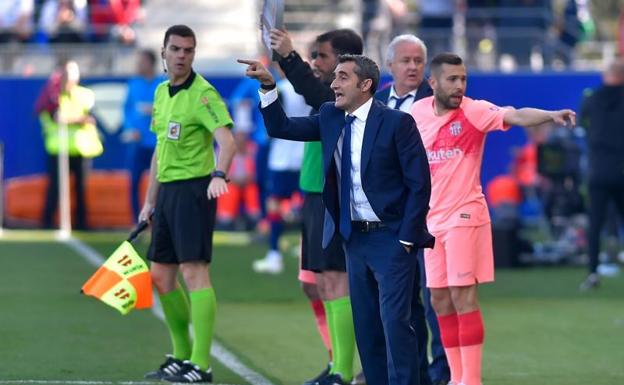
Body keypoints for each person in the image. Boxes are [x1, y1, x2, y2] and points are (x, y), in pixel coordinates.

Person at [239, 53, 434, 385]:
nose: (333, 84)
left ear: (365, 84)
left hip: (392, 240)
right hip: (354, 241)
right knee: (367, 326)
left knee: (395, 323)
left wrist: (406, 237)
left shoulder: (397, 123)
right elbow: (281, 126)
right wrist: (268, 87)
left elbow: (420, 184)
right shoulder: (330, 115)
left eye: (342, 77)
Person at [410, 53, 575, 385]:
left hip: (465, 215)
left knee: (461, 294)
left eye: (463, 79)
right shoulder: (415, 114)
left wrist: (550, 116)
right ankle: (456, 378)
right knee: (439, 299)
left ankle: (471, 380)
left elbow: (514, 115)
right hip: (432, 220)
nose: (459, 86)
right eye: (452, 79)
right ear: (433, 83)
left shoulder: (473, 111)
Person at [139, 25, 236, 384]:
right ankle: (180, 355)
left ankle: (201, 364)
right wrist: (150, 200)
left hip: (195, 190)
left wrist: (219, 175)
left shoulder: (204, 93)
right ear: (163, 52)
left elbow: (227, 142)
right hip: (167, 194)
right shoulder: (161, 92)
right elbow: (159, 151)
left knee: (194, 273)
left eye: (189, 50)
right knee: (161, 276)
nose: (182, 55)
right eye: (176, 49)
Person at [267, 28, 364, 385]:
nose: (315, 62)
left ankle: (342, 369)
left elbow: (311, 88)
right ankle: (335, 359)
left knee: (336, 283)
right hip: (312, 193)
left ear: (345, 63)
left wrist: (288, 56)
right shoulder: (325, 97)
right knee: (313, 285)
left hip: (333, 199)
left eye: (321, 56)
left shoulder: (344, 98)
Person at [375, 34, 449, 385]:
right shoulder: (373, 102)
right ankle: (415, 370)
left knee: (436, 296)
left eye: (419, 60)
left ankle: (443, 370)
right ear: (390, 65)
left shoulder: (439, 104)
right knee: (403, 304)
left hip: (430, 215)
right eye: (406, 60)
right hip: (390, 220)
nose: (413, 66)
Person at [37, 60, 102, 230]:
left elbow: (89, 118)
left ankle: (81, 223)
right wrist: (74, 120)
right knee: (55, 188)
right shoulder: (52, 95)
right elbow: (52, 117)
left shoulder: (85, 95)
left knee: (81, 190)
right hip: (58, 149)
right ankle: (47, 222)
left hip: (81, 149)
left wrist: (72, 120)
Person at [578, 58, 624, 290]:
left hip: (598, 170)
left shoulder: (592, 99)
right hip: (622, 170)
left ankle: (593, 273)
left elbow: (582, 126)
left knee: (595, 223)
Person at [120, 48, 161, 221]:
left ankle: (159, 221)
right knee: (134, 182)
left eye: (142, 61)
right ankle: (137, 221)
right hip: (138, 142)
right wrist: (131, 129)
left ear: (151, 63)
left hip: (158, 143)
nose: (138, 65)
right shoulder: (133, 84)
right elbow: (126, 110)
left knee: (160, 183)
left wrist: (154, 110)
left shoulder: (163, 83)